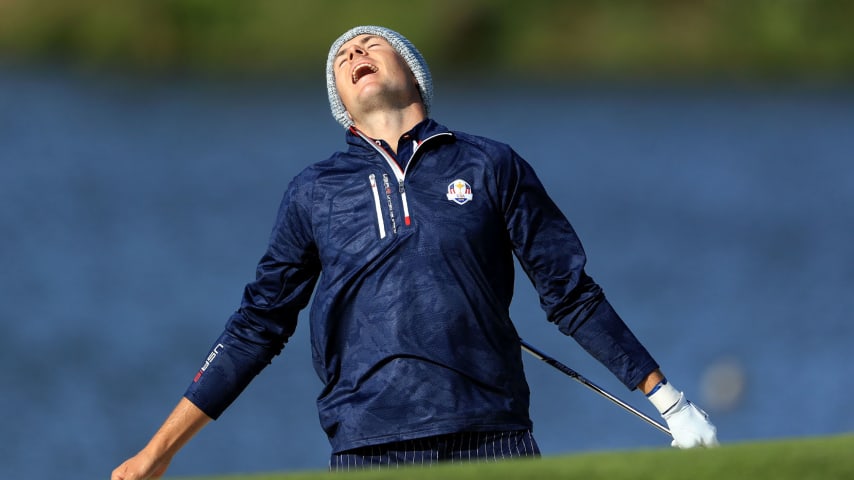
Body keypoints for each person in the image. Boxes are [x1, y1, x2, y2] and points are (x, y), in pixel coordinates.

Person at [112, 25, 717, 479]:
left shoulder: (489, 164)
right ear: (341, 108)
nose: (354, 55)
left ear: (413, 69)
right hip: (367, 446)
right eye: (342, 60)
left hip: (494, 436)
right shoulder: (313, 192)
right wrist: (156, 453)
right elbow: (255, 329)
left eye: (371, 44)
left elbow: (572, 294)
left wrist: (673, 404)